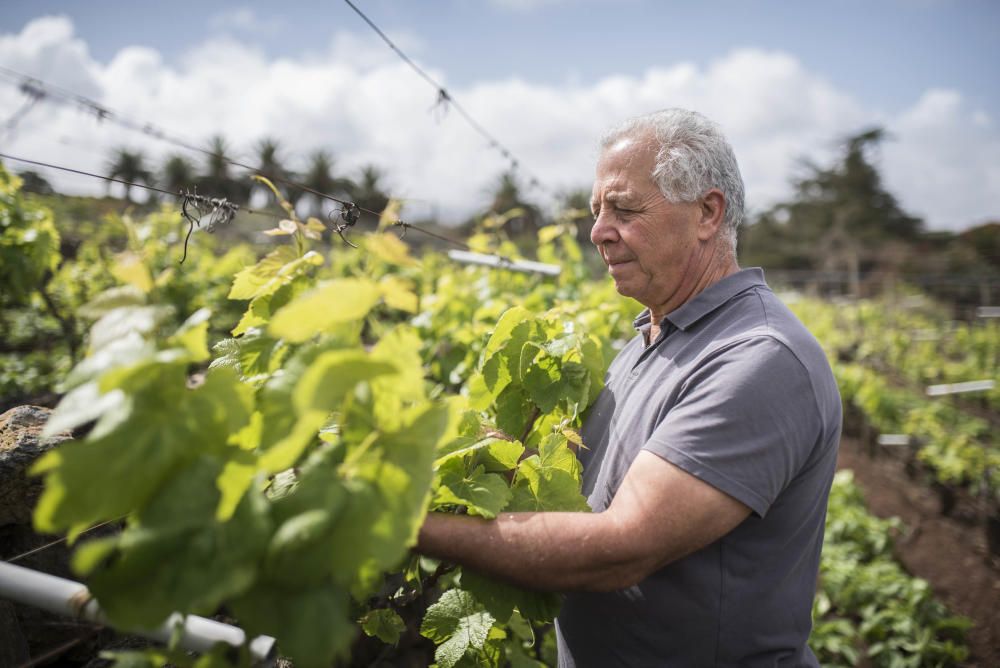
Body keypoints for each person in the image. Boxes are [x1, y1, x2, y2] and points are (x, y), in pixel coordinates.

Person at [417, 108, 842, 667]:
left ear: (707, 213)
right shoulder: (649, 337)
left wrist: (407, 524)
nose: (597, 232)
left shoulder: (759, 359)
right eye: (596, 212)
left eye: (623, 208)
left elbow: (622, 548)